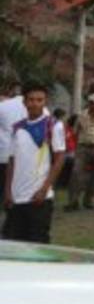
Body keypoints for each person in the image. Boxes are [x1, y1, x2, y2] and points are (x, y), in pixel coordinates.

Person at [2, 81, 66, 243]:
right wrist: (8, 191)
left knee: (37, 248)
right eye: (31, 100)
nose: (35, 104)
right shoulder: (17, 128)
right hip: (16, 199)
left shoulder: (53, 125)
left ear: (45, 102)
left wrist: (44, 189)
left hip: (39, 199)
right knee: (12, 247)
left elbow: (59, 158)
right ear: (24, 102)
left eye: (39, 100)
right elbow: (12, 161)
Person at [0, 84, 26, 235]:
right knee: (17, 192)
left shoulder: (3, 107)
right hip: (23, 158)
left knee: (4, 190)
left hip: (3, 155)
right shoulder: (39, 108)